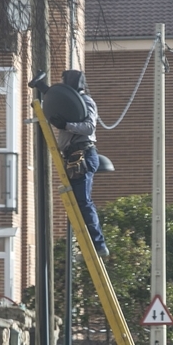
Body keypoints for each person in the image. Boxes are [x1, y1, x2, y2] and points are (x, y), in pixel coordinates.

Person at [50, 69, 109, 258]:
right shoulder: (69, 103)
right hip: (72, 155)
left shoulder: (86, 102)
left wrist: (66, 125)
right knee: (76, 202)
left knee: (84, 201)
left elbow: (89, 127)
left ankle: (99, 245)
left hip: (83, 153)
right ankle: (86, 244)